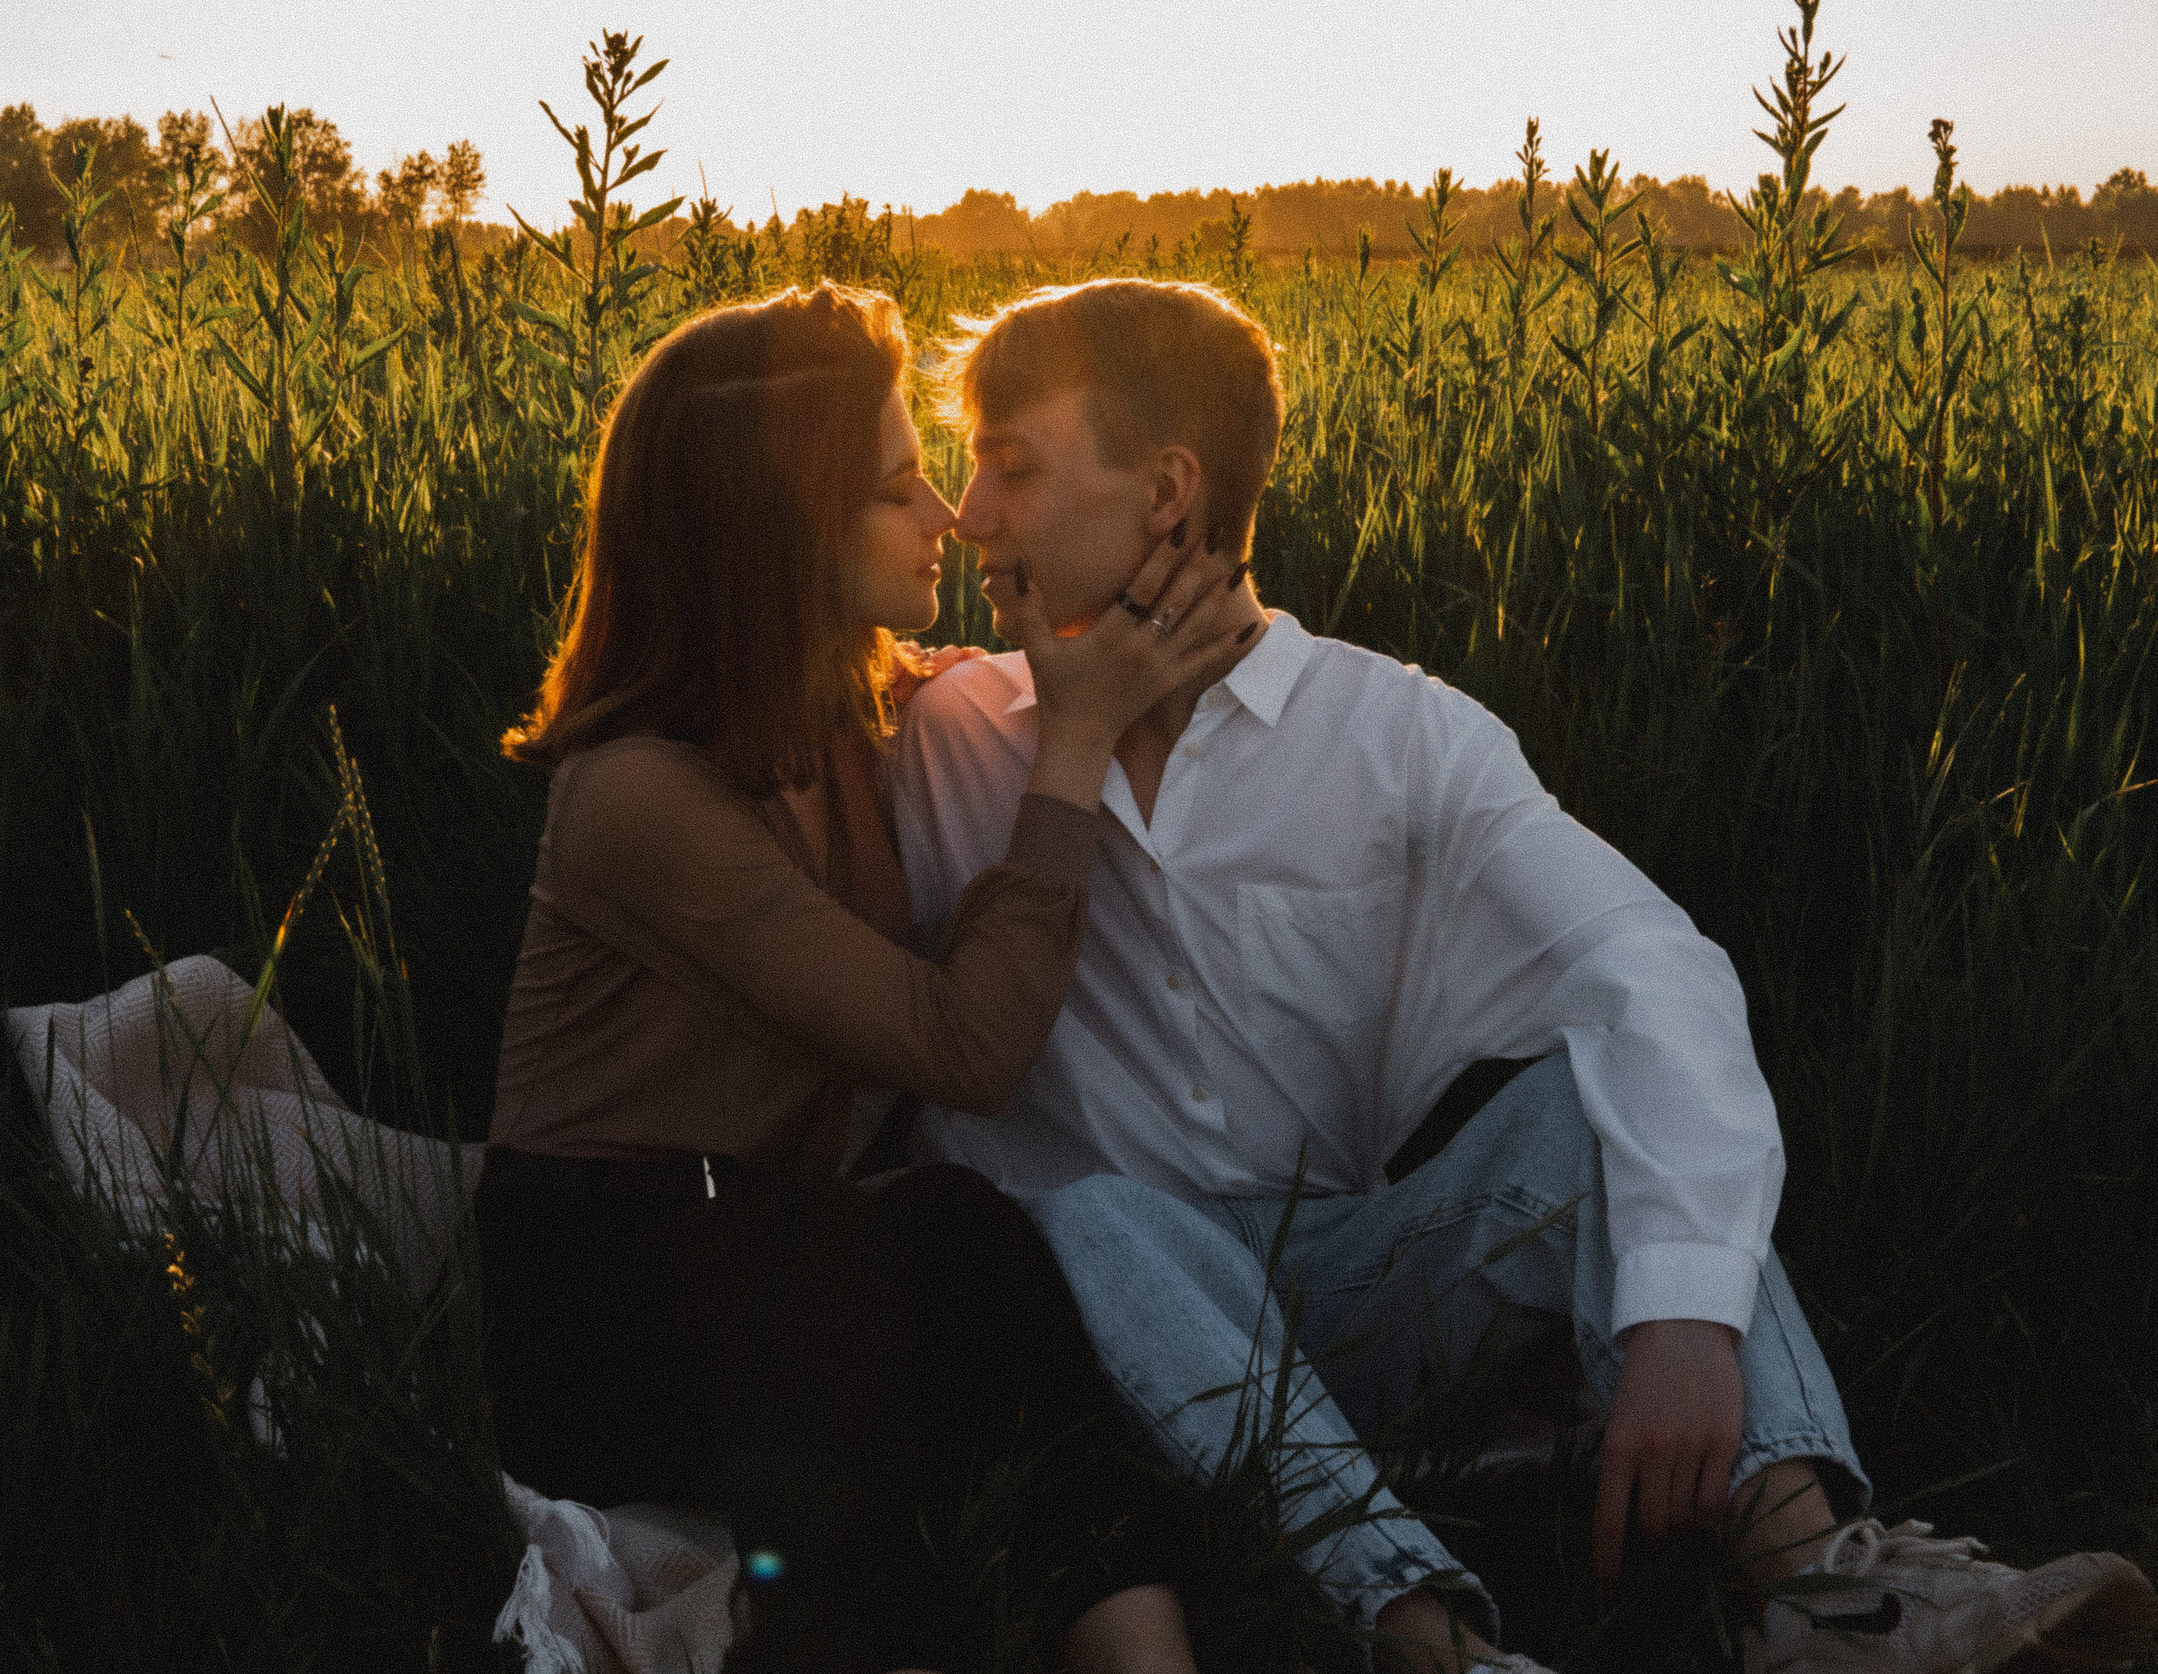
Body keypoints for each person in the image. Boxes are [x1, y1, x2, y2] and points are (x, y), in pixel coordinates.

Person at [888, 278, 2158, 1674]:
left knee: (1585, 1109)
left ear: (1169, 491)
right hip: (1086, 1340)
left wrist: (1684, 1311)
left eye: (1010, 465)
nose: (967, 513)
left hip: (1346, 1293)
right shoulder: (942, 728)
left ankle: (1825, 1590)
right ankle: (1426, 1637)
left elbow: (1645, 966)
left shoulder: (1399, 737)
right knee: (1087, 1215)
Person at [479, 281, 1260, 1674]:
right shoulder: (637, 801)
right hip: (601, 1296)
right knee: (931, 1255)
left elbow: (986, 678)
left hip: (767, 1244)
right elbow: (966, 1050)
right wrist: (1072, 747)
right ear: (781, 534)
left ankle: (1140, 1652)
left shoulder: (856, 709)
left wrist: (1136, 626)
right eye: (902, 488)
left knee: (942, 1270)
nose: (951, 517)